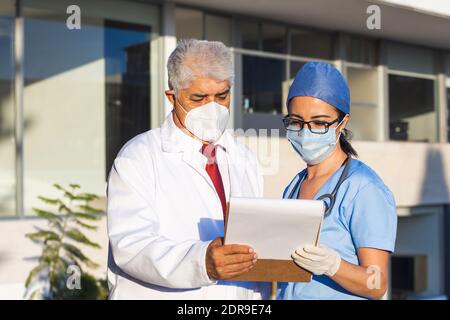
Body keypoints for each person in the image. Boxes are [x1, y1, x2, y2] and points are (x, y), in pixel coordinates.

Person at [106, 39, 270, 299]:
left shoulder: (245, 159)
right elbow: (131, 247)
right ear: (172, 97)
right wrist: (202, 262)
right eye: (199, 98)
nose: (213, 108)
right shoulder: (138, 157)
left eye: (222, 96)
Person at [278, 62, 397, 300]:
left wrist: (334, 266)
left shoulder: (364, 187)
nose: (305, 131)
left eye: (320, 123)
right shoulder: (294, 185)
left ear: (342, 123)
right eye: (296, 121)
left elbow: (377, 283)